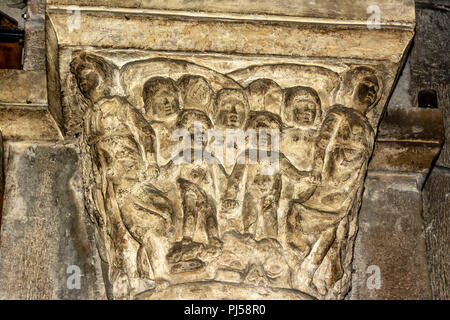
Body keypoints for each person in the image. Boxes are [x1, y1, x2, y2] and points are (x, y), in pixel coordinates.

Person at [286, 66, 381, 297]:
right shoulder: (339, 112)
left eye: (375, 90)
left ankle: (308, 272)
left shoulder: (369, 127)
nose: (370, 92)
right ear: (352, 87)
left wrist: (355, 192)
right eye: (365, 86)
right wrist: (317, 169)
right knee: (316, 218)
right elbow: (322, 142)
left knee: (334, 231)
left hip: (348, 185)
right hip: (331, 177)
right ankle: (296, 263)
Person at [142, 77, 182, 165]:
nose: (167, 104)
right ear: (150, 105)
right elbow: (164, 153)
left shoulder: (183, 122)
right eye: (161, 99)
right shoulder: (156, 128)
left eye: (171, 98)